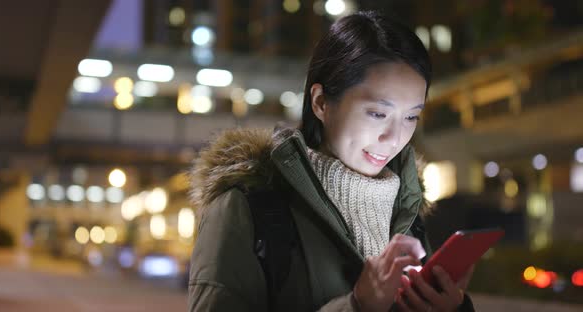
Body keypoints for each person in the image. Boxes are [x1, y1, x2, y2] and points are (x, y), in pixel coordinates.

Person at [187, 11, 475, 312]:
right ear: (321, 103)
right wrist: (356, 306)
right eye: (377, 114)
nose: (393, 138)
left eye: (411, 116)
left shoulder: (407, 214)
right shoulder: (248, 208)